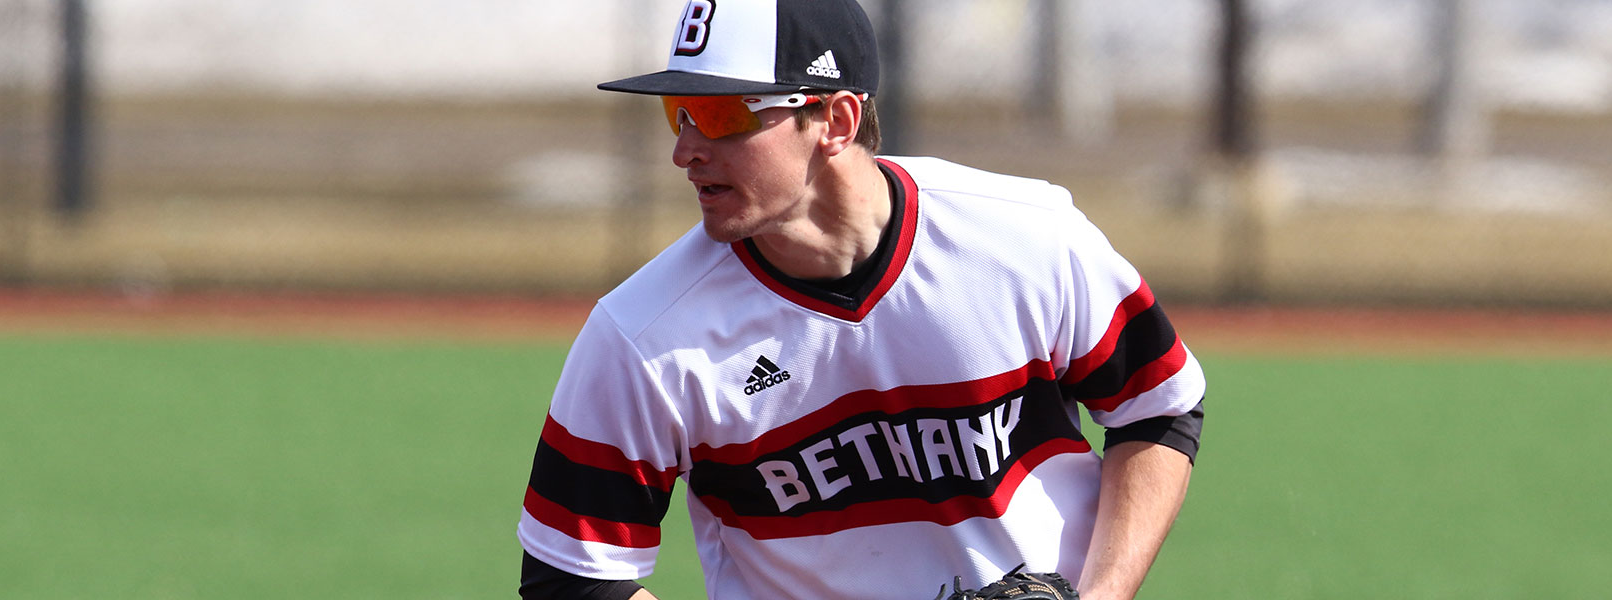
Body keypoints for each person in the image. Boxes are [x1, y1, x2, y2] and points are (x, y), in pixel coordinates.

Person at [517, 1, 1206, 599]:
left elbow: (1159, 408)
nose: (686, 150)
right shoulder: (644, 335)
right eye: (680, 112)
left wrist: (1104, 594)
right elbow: (572, 576)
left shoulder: (1024, 238)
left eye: (723, 113)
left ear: (837, 120)